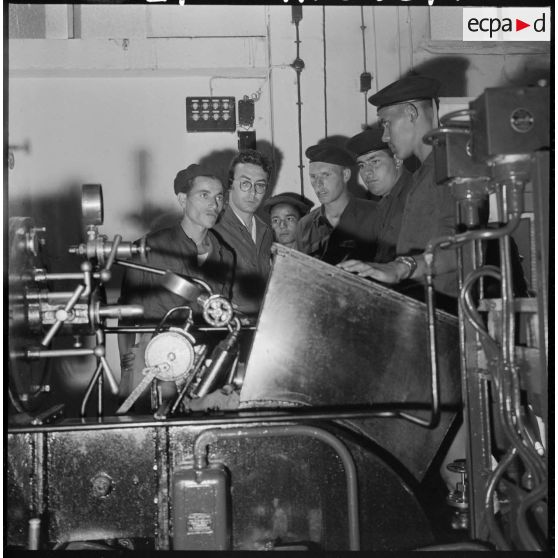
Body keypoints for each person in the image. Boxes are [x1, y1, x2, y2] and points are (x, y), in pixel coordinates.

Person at [117, 164, 234, 411]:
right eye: (204, 195)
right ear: (183, 199)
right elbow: (125, 313)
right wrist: (128, 367)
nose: (214, 204)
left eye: (219, 197)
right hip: (154, 362)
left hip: (203, 367)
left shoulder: (226, 255)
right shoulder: (149, 249)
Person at [338, 75, 458, 301]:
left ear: (411, 114)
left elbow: (466, 250)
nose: (384, 135)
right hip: (421, 305)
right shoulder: (425, 174)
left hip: (443, 310)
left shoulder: (449, 167)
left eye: (386, 123)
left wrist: (401, 268)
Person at [214, 149, 274, 317]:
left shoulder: (266, 232)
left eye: (260, 185)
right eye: (245, 183)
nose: (253, 192)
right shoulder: (212, 228)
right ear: (231, 183)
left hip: (261, 326)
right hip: (226, 327)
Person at [295, 143, 378, 265]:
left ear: (345, 175)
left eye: (326, 175)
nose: (318, 184)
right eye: (313, 177)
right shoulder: (305, 226)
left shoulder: (376, 215)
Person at [345, 126, 413, 263]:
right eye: (362, 166)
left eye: (374, 162)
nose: (367, 173)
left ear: (397, 160)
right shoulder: (384, 204)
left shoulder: (415, 195)